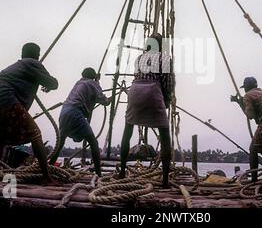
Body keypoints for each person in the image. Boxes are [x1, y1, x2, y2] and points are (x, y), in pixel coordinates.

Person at [0, 42, 58, 184]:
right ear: (36, 54)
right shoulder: (32, 63)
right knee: (36, 134)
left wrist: (42, 81)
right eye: (38, 54)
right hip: (4, 97)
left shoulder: (19, 66)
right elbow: (54, 83)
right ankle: (47, 177)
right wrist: (47, 83)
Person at [119, 33, 174, 188]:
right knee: (164, 136)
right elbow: (167, 83)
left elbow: (137, 76)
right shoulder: (165, 58)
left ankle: (122, 172)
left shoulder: (139, 59)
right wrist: (166, 100)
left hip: (135, 90)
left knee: (128, 130)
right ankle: (164, 181)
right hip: (152, 91)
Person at [53, 68, 110, 175]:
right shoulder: (93, 84)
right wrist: (98, 83)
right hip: (75, 112)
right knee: (93, 142)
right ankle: (98, 174)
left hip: (65, 111)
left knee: (60, 143)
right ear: (93, 77)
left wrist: (96, 81)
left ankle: (50, 167)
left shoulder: (79, 82)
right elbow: (104, 101)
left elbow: (92, 93)